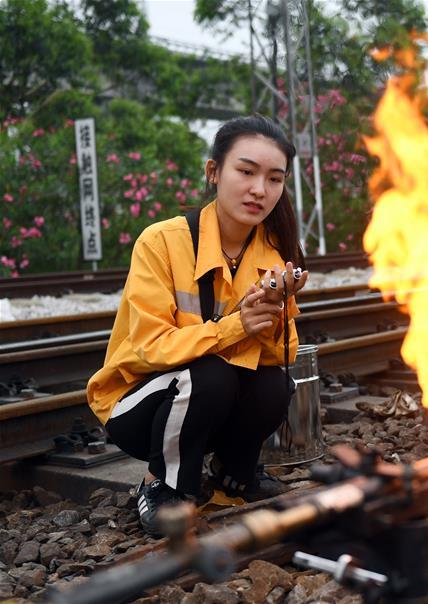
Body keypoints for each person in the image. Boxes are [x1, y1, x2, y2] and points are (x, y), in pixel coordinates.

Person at [86, 115, 309, 536]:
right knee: (211, 375)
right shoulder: (162, 242)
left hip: (204, 404)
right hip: (137, 404)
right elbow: (152, 347)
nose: (260, 190)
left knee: (274, 384)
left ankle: (233, 476)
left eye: (274, 179)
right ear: (214, 171)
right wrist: (236, 326)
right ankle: (164, 486)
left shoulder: (273, 254)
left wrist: (274, 316)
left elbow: (285, 355)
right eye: (246, 171)